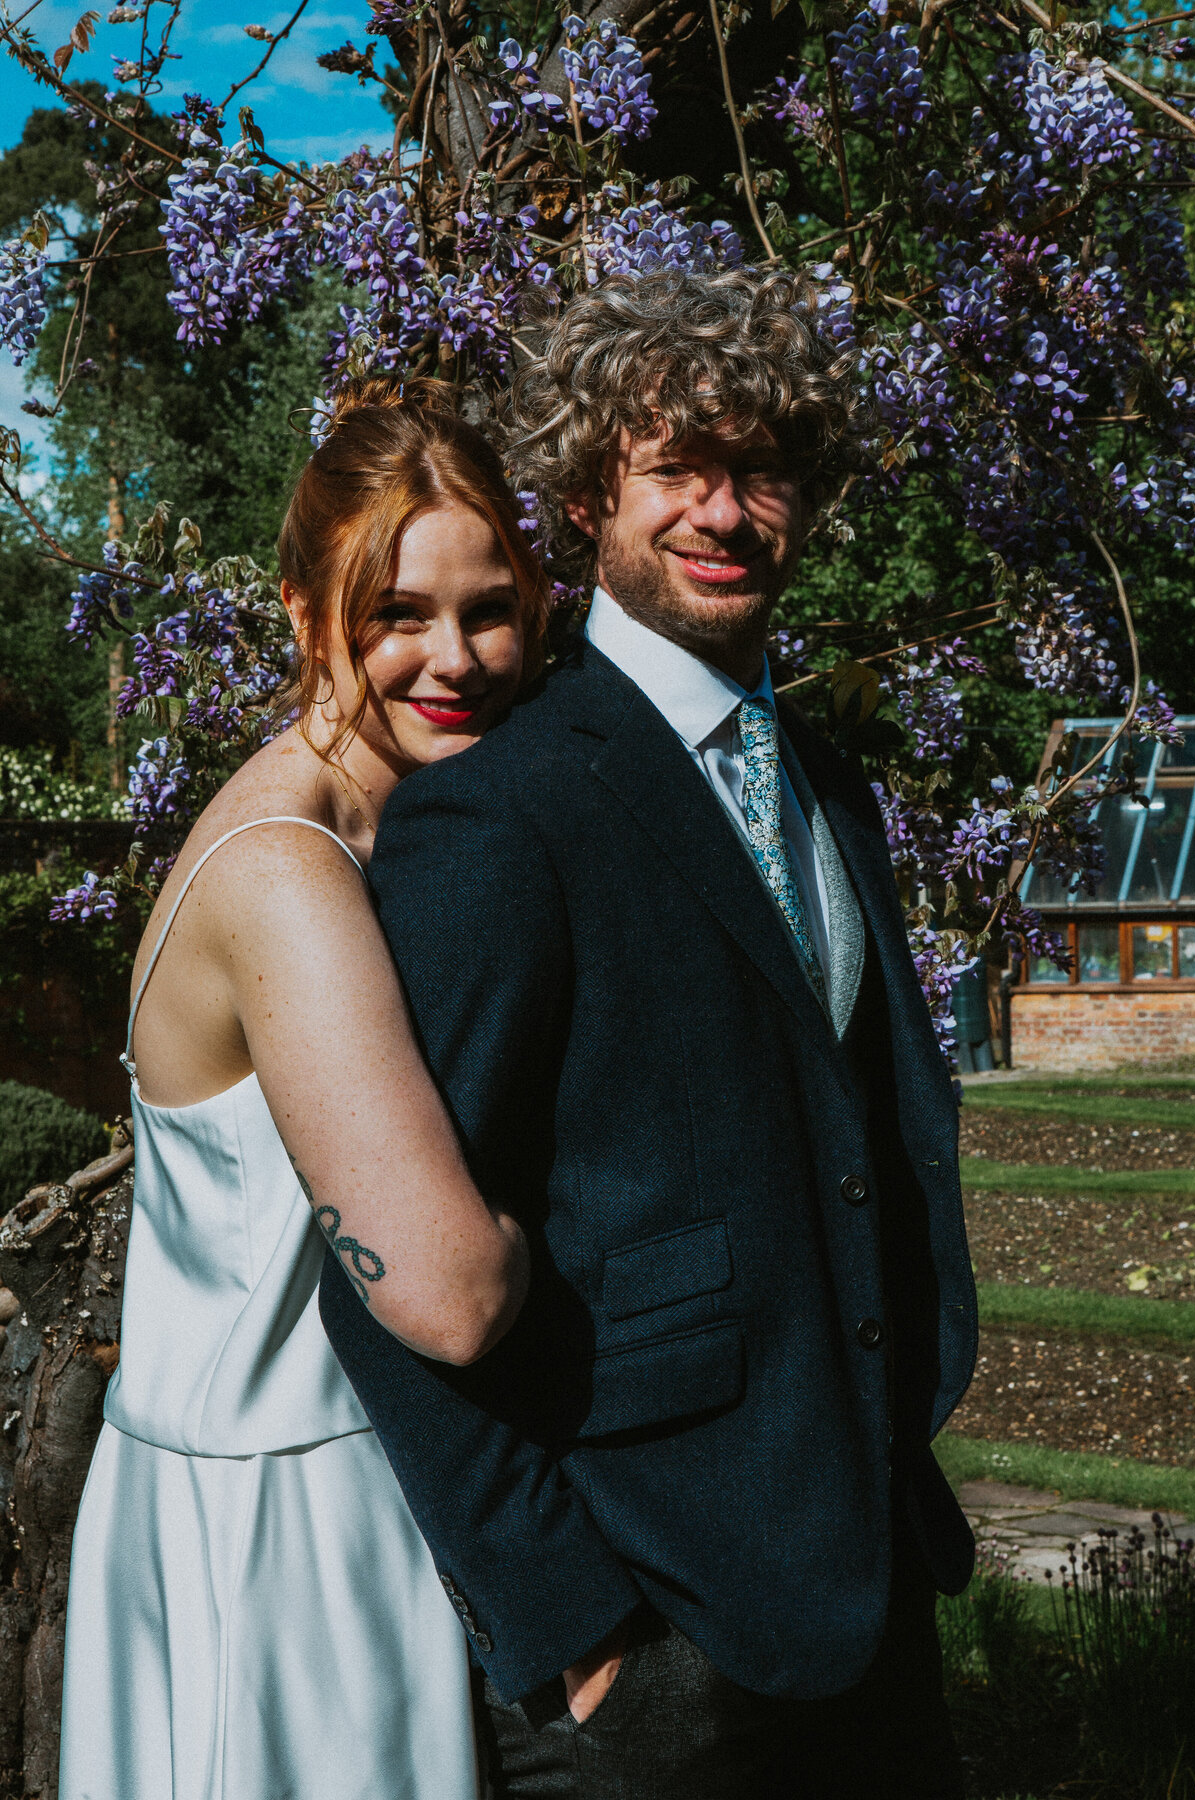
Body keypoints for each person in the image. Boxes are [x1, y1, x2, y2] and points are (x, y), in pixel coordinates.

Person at [320, 268, 978, 1799]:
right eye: (677, 468)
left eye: (760, 470)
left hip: (868, 1569)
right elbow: (381, 1283)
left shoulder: (825, 774)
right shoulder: (507, 807)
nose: (724, 511)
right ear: (590, 497)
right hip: (652, 1635)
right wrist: (575, 1628)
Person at [58, 379, 546, 1800]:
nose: (451, 657)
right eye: (397, 612)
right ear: (300, 613)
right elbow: (449, 1293)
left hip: (350, 1481)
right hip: (278, 1526)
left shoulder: (406, 827)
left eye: (488, 606)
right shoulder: (286, 871)